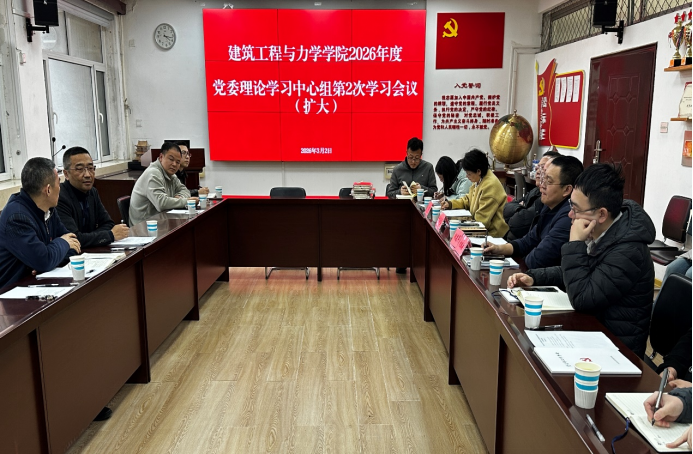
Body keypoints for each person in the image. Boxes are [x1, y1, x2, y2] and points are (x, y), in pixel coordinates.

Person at [507, 163, 656, 357]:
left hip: (617, 351)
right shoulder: (606, 232)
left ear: (601, 214)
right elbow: (582, 271)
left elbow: (583, 298)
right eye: (571, 206)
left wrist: (575, 244)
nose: (570, 214)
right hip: (592, 332)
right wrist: (535, 277)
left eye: (576, 209)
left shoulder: (628, 251)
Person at [482, 156, 583, 269]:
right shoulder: (548, 206)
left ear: (567, 190)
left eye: (549, 181)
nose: (542, 185)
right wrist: (499, 248)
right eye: (543, 178)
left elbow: (538, 259)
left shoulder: (568, 216)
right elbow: (528, 241)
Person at [0, 157, 80, 288]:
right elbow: (44, 259)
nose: (60, 188)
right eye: (59, 183)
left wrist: (49, 261)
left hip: (37, 283)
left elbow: (74, 244)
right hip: (10, 291)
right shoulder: (16, 217)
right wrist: (62, 243)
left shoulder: (49, 209)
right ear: (48, 190)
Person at [57, 147, 129, 248]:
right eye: (80, 169)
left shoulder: (92, 192)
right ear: (66, 174)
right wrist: (109, 235)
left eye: (90, 168)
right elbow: (73, 239)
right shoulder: (60, 198)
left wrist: (89, 238)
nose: (87, 175)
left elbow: (108, 223)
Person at [441, 149, 508, 238]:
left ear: (478, 171)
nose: (466, 176)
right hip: (479, 227)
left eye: (468, 174)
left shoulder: (490, 186)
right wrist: (450, 204)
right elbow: (468, 200)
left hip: (492, 235)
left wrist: (463, 225)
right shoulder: (479, 179)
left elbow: (482, 221)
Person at [129, 141, 197, 226]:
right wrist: (185, 201)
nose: (174, 164)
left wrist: (180, 197)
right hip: (143, 227)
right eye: (171, 159)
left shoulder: (170, 174)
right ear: (161, 157)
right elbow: (161, 204)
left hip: (161, 222)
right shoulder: (153, 173)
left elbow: (185, 190)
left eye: (178, 162)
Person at [503, 150, 561, 240]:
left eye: (543, 168)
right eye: (537, 167)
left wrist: (522, 208)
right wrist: (520, 208)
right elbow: (506, 208)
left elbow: (516, 222)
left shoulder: (546, 199)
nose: (537, 171)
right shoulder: (535, 190)